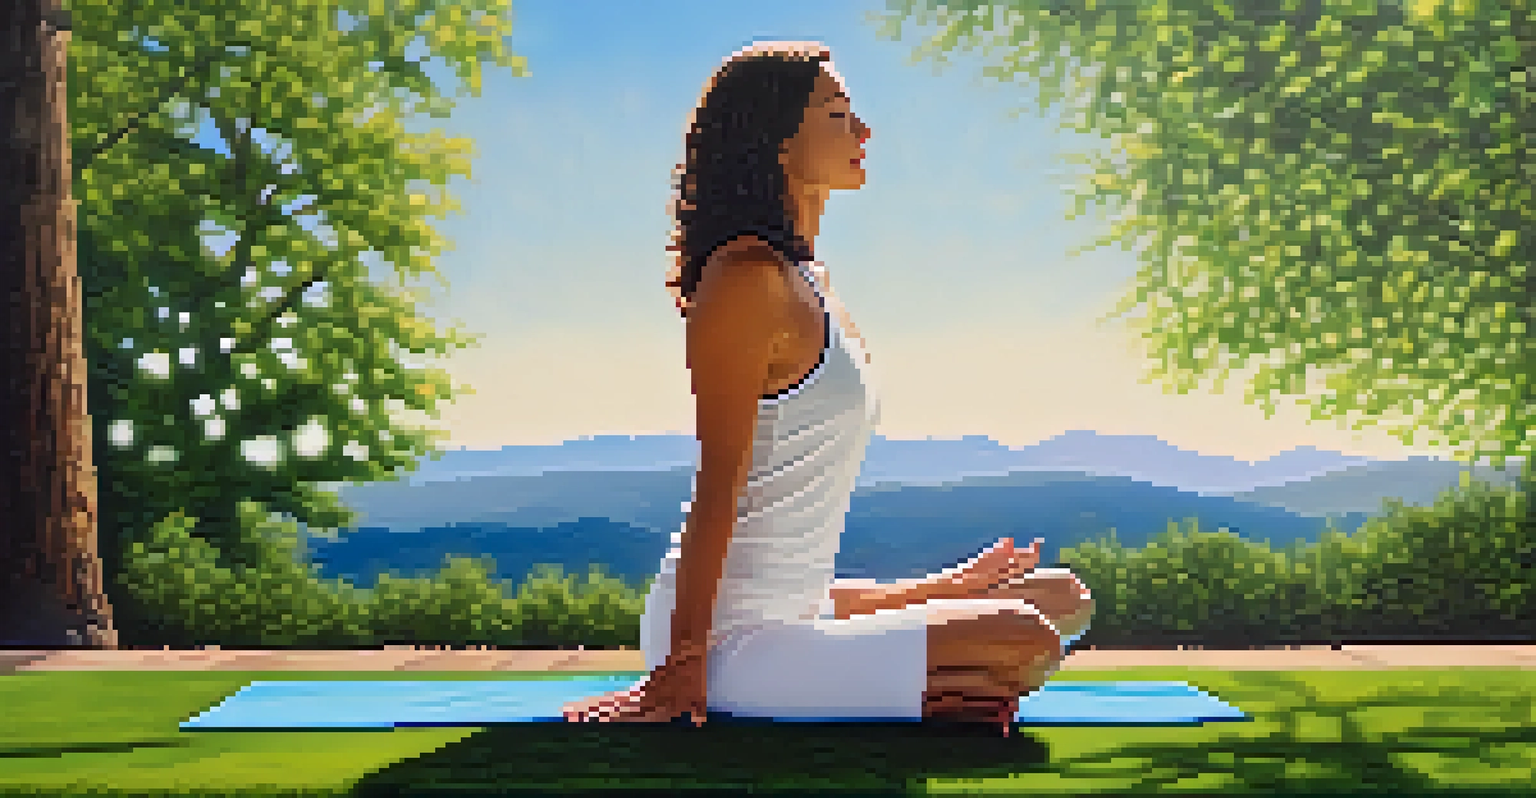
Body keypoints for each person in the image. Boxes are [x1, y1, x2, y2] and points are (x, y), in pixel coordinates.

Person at [562, 41, 1093, 735]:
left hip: (802, 611)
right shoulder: (745, 281)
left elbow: (801, 579)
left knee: (1062, 598)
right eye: (839, 115)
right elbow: (718, 487)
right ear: (779, 142)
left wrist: (951, 586)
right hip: (727, 636)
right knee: (1028, 639)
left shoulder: (812, 284)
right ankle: (932, 691)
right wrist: (682, 665)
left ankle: (948, 692)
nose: (864, 131)